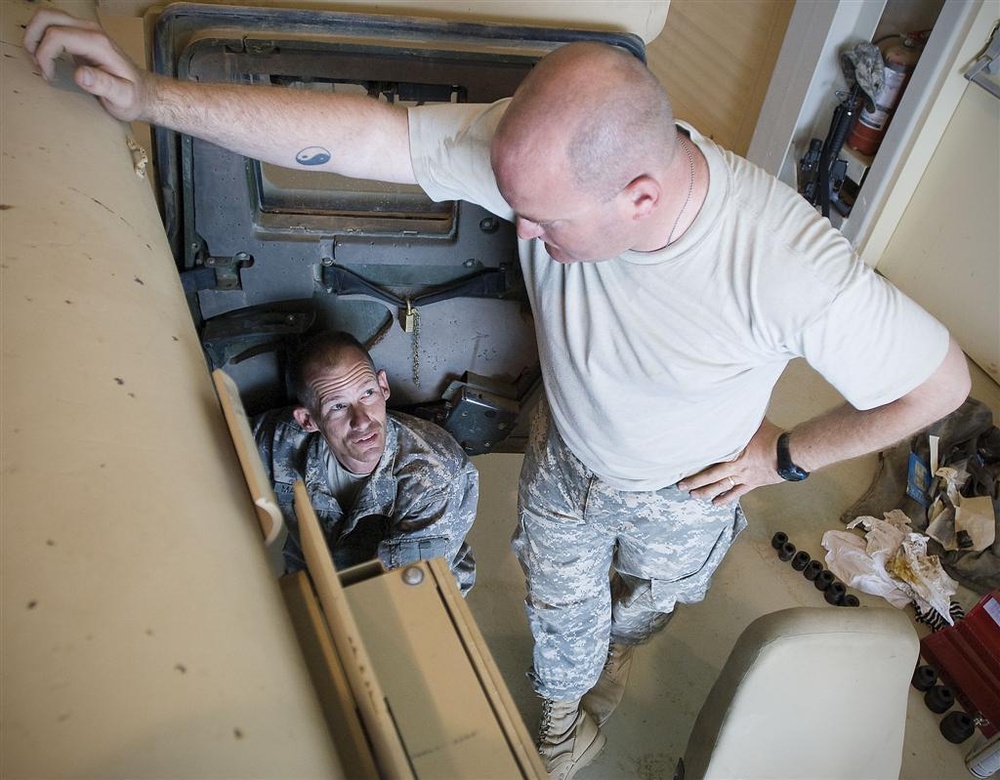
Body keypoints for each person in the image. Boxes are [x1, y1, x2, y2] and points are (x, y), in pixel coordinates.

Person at [26, 11, 972, 778]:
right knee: (564, 618)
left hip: (689, 486)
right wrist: (150, 96)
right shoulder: (543, 161)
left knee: (651, 603)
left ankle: (621, 652)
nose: (517, 230)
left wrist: (786, 454)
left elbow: (940, 383)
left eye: (543, 219)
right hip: (566, 451)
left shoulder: (787, 264)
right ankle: (565, 726)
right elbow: (355, 133)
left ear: (639, 197)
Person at [252, 330, 478, 594]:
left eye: (368, 393)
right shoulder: (281, 441)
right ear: (307, 420)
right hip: (315, 578)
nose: (362, 420)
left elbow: (408, 597)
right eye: (338, 406)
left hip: (416, 599)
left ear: (383, 387)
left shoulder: (433, 475)